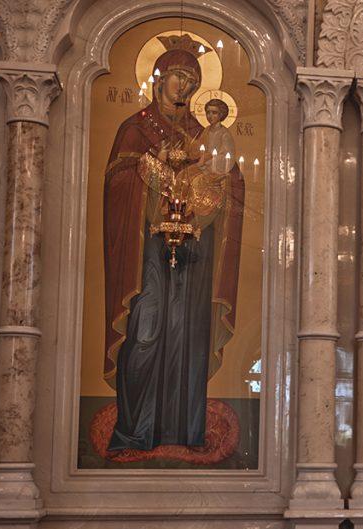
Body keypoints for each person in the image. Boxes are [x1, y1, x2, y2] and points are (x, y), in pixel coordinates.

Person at [102, 34, 245, 451]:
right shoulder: (136, 128)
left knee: (188, 335)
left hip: (194, 251)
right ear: (158, 79)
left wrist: (223, 180)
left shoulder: (206, 134)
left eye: (190, 79)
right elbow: (117, 180)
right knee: (145, 331)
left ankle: (183, 432)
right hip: (147, 246)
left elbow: (229, 179)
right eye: (176, 76)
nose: (182, 86)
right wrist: (151, 166)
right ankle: (134, 431)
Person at [194, 98, 236, 175]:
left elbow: (226, 157)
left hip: (215, 169)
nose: (210, 116)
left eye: (214, 113)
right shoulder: (206, 130)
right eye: (208, 112)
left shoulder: (224, 134)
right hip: (202, 165)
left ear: (221, 114)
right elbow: (200, 148)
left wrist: (207, 163)